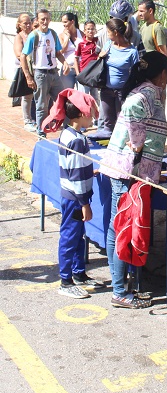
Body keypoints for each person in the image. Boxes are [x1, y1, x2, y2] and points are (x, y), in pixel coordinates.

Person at [98, 51, 167, 309]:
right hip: (130, 171)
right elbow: (132, 115)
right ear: (163, 74)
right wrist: (137, 145)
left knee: (116, 226)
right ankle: (119, 290)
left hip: (124, 168)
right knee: (121, 227)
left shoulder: (142, 90)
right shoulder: (147, 93)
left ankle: (121, 283)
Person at [44, 89, 105, 298]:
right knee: (70, 237)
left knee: (79, 236)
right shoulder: (77, 140)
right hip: (76, 198)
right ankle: (65, 280)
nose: (92, 118)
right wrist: (85, 203)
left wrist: (90, 169)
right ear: (81, 114)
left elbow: (76, 167)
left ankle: (79, 274)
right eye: (90, 114)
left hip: (73, 195)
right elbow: (77, 175)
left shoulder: (70, 134)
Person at [20, 8, 70, 137]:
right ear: (37, 20)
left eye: (47, 19)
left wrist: (64, 63)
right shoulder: (33, 36)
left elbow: (58, 52)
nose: (45, 21)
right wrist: (28, 77)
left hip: (54, 73)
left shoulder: (53, 34)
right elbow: (23, 56)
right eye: (42, 19)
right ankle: (41, 134)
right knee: (42, 106)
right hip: (40, 75)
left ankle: (68, 131)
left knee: (63, 102)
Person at [97, 18, 140, 134]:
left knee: (122, 122)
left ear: (115, 32)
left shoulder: (132, 52)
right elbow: (98, 65)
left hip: (122, 92)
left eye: (108, 32)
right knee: (108, 122)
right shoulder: (108, 46)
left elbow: (136, 73)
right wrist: (100, 56)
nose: (107, 34)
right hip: (106, 90)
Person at [13, 13, 35, 131]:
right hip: (24, 69)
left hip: (35, 68)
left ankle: (35, 118)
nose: (28, 25)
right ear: (19, 25)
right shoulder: (19, 36)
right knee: (27, 96)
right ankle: (27, 121)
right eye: (25, 23)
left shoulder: (33, 34)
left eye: (29, 23)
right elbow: (18, 53)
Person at [74, 20, 100, 105]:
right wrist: (78, 74)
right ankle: (83, 116)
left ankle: (96, 117)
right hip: (84, 74)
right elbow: (76, 59)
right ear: (84, 31)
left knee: (95, 98)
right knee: (83, 98)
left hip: (94, 75)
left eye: (92, 29)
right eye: (88, 29)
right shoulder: (81, 43)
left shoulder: (98, 41)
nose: (90, 31)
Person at [59, 12, 83, 90]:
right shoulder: (62, 35)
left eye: (65, 22)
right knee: (67, 93)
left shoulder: (81, 34)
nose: (64, 25)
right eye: (62, 22)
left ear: (72, 22)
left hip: (80, 68)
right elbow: (61, 51)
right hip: (68, 68)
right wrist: (67, 38)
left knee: (81, 92)